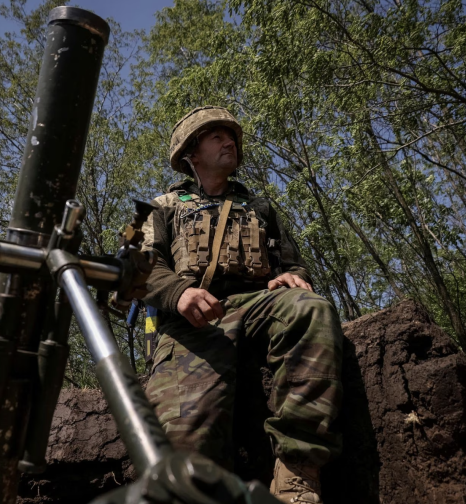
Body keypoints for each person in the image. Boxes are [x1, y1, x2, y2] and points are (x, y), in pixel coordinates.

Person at [141, 106, 343, 503]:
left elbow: (292, 262)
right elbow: (138, 266)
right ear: (190, 153)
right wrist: (177, 293)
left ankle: (296, 474)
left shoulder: (260, 207)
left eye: (230, 136)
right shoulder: (159, 207)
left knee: (311, 308)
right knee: (185, 444)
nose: (229, 141)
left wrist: (291, 277)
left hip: (260, 304)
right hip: (193, 322)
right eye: (216, 136)